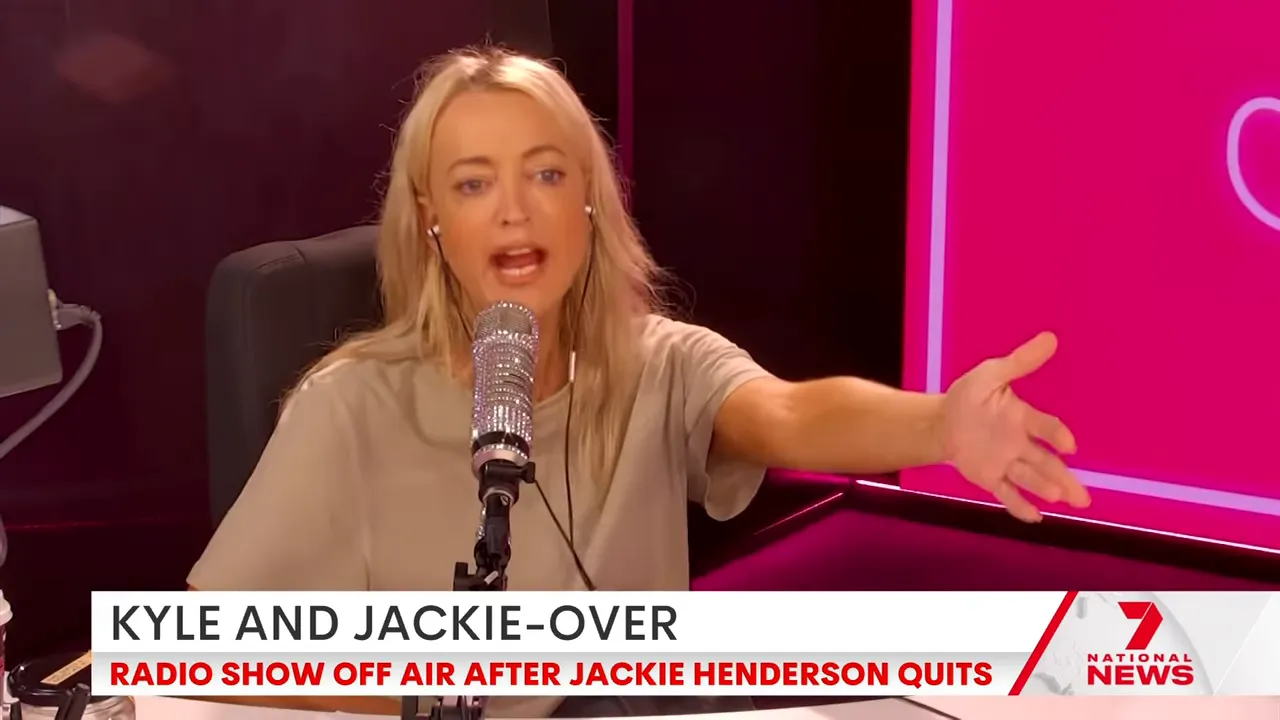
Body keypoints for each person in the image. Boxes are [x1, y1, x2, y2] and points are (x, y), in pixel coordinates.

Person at [189, 47, 1090, 716]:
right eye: (472, 184)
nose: (514, 209)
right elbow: (211, 664)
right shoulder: (347, 404)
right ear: (431, 221)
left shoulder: (658, 362)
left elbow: (786, 413)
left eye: (545, 174)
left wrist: (937, 426)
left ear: (588, 197)